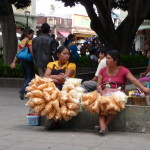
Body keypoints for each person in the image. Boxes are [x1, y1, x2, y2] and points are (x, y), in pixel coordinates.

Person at [96, 50, 150, 135]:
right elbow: (98, 85)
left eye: (109, 58)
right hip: (104, 93)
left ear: (116, 60)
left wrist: (143, 88)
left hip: (118, 95)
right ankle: (103, 127)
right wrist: (102, 93)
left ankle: (103, 126)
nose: (106, 60)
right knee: (101, 104)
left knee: (113, 105)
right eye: (106, 58)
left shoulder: (124, 70)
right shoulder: (102, 70)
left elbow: (134, 81)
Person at [10, 29, 35, 100]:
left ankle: (26, 93)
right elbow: (32, 51)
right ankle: (22, 89)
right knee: (30, 77)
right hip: (28, 61)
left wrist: (14, 62)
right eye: (32, 34)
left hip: (22, 61)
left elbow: (17, 54)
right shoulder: (29, 41)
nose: (32, 36)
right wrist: (34, 57)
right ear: (28, 34)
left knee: (26, 77)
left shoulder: (20, 42)